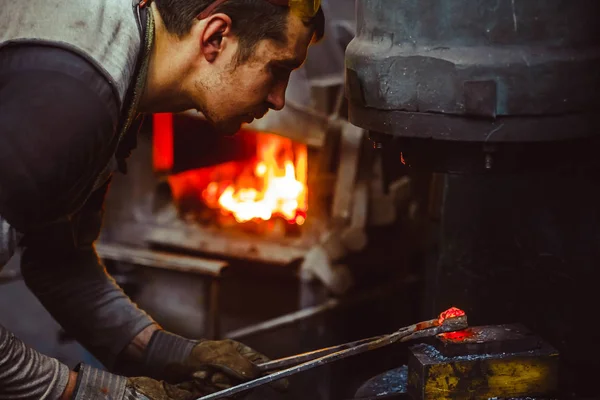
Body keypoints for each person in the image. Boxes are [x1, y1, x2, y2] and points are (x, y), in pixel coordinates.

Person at [0, 0, 324, 399]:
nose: (279, 99)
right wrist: (81, 392)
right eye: (278, 69)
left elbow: (59, 262)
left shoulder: (124, 73)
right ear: (215, 37)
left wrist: (172, 353)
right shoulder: (75, 98)